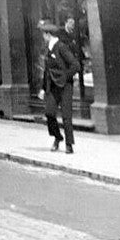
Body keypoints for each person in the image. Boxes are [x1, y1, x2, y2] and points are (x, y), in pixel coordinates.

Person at [39, 19, 80, 154]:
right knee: (49, 113)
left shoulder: (61, 47)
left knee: (66, 116)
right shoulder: (48, 49)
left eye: (44, 34)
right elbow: (47, 71)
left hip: (65, 87)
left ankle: (69, 144)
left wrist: (65, 77)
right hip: (53, 87)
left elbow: (75, 65)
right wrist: (43, 88)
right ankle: (57, 137)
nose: (43, 37)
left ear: (48, 34)